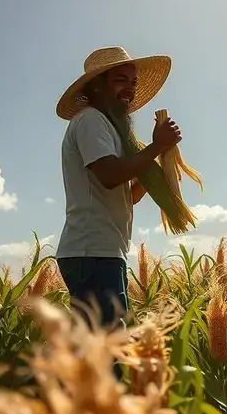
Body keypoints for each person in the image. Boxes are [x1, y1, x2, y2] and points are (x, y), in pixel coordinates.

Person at [53, 46, 182, 327]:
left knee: (106, 345)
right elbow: (109, 175)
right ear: (97, 86)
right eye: (121, 80)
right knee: (109, 347)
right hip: (92, 253)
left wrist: (156, 166)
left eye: (133, 83)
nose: (130, 89)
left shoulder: (107, 127)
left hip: (106, 251)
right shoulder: (90, 120)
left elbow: (127, 196)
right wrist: (157, 146)